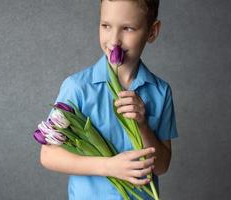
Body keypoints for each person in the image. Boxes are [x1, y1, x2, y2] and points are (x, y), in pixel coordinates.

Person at [40, 0, 178, 199]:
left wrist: (142, 124)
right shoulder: (77, 88)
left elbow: (162, 166)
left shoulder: (160, 91)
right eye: (106, 26)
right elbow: (48, 155)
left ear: (152, 32)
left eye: (128, 28)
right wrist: (109, 166)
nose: (114, 40)